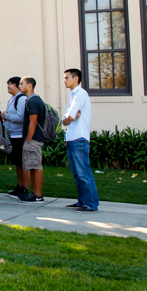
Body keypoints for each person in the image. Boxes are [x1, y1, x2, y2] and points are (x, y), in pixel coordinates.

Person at [62, 68, 99, 212]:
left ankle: (90, 204)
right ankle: (82, 201)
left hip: (79, 138)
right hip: (71, 138)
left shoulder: (81, 94)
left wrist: (69, 118)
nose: (64, 81)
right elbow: (65, 120)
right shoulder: (72, 95)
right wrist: (68, 119)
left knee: (83, 172)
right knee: (77, 173)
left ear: (76, 78)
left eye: (67, 78)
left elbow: (70, 115)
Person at [19, 76, 46, 203]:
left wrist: (28, 140)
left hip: (34, 139)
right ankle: (35, 193)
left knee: (36, 166)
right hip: (35, 138)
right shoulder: (33, 100)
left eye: (21, 84)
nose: (20, 86)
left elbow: (33, 122)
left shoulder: (33, 101)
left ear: (30, 85)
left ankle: (38, 195)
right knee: (33, 166)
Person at [2, 77, 30, 197]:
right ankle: (20, 186)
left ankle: (26, 188)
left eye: (10, 85)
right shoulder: (12, 99)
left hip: (20, 135)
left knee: (23, 163)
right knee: (17, 163)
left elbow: (21, 117)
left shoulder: (21, 99)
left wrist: (7, 116)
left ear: (17, 86)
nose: (8, 87)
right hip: (12, 135)